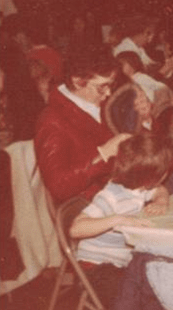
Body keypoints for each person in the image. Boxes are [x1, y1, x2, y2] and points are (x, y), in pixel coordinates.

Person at [35, 45, 137, 204]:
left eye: (111, 85)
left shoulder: (104, 103)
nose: (108, 93)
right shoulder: (52, 121)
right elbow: (59, 187)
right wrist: (102, 155)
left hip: (119, 192)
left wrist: (144, 117)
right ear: (77, 82)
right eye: (102, 86)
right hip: (86, 205)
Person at [70, 132, 173, 273]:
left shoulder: (139, 188)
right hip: (96, 264)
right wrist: (118, 220)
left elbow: (160, 190)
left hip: (120, 259)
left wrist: (161, 201)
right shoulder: (111, 196)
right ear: (154, 177)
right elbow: (75, 229)